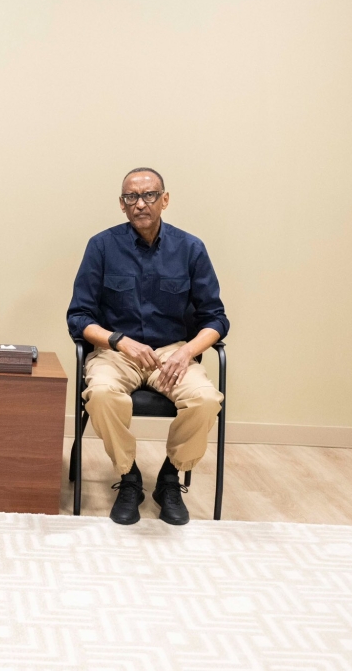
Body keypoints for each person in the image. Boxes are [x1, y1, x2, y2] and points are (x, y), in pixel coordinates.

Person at [66, 167, 228, 526]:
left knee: (205, 400)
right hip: (116, 353)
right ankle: (129, 477)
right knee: (103, 395)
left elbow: (216, 318)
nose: (140, 204)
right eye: (131, 197)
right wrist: (118, 340)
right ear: (122, 205)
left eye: (149, 195)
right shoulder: (102, 246)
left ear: (164, 200)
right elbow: (78, 317)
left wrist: (187, 352)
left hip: (172, 353)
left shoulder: (190, 248)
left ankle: (170, 477)